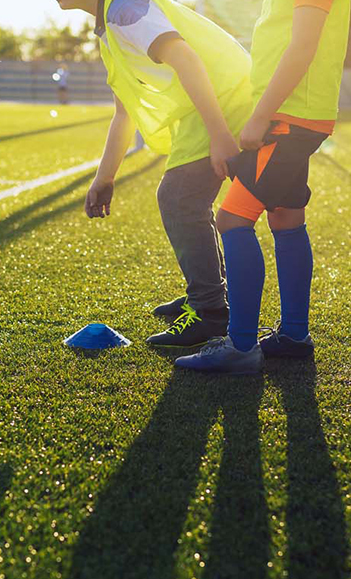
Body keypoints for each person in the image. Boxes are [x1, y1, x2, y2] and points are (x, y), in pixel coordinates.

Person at [58, 0, 252, 347]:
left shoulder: (124, 10)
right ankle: (211, 294)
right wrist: (105, 177)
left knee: (179, 198)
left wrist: (220, 134)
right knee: (184, 198)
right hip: (214, 102)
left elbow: (186, 58)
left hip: (224, 98)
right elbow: (124, 113)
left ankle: (210, 310)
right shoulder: (109, 27)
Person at [175, 0, 351, 374]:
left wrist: (259, 116)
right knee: (285, 218)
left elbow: (303, 46)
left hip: (289, 115)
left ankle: (240, 346)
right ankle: (294, 336)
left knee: (232, 221)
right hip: (296, 112)